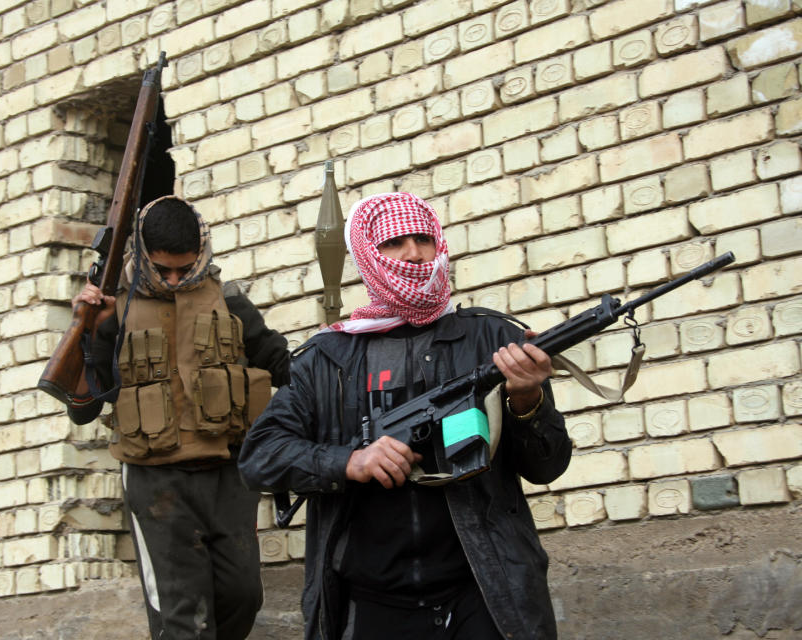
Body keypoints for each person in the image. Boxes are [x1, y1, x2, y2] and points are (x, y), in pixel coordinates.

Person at [238, 192, 572, 640]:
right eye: (395, 243)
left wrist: (528, 399)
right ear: (367, 255)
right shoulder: (327, 358)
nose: (414, 253)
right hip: (371, 605)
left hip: (485, 595)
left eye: (423, 239)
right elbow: (260, 457)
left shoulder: (491, 338)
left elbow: (547, 466)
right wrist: (348, 462)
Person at [66, 195, 290, 640]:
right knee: (181, 618)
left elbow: (282, 363)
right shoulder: (115, 308)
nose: (172, 280)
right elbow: (84, 407)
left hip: (227, 473)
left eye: (184, 269)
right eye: (162, 269)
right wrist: (87, 329)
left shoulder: (227, 298)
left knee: (243, 594)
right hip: (156, 481)